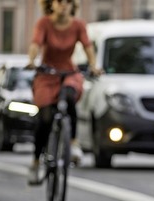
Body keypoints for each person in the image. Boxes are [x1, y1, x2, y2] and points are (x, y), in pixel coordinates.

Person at [25, 0, 102, 185]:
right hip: (47, 73)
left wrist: (93, 66)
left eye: (68, 2)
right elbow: (36, 42)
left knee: (69, 96)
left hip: (68, 71)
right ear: (52, 4)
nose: (63, 5)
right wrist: (32, 60)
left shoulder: (78, 25)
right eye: (60, 1)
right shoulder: (44, 23)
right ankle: (36, 163)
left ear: (72, 5)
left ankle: (74, 143)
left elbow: (87, 46)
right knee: (45, 118)